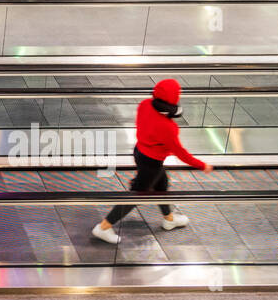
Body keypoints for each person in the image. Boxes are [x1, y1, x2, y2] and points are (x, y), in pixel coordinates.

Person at [91, 78, 213, 244]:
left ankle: (169, 219)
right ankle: (103, 227)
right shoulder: (168, 127)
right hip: (152, 163)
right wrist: (202, 165)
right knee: (135, 196)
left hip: (139, 152)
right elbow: (181, 153)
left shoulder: (145, 104)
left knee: (162, 185)